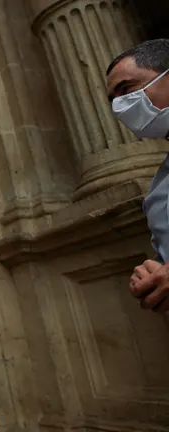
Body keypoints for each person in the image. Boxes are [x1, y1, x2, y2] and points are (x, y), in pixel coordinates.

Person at [107, 39, 169, 314]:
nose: (120, 106)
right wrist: (152, 272)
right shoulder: (161, 185)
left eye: (126, 90)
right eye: (114, 100)